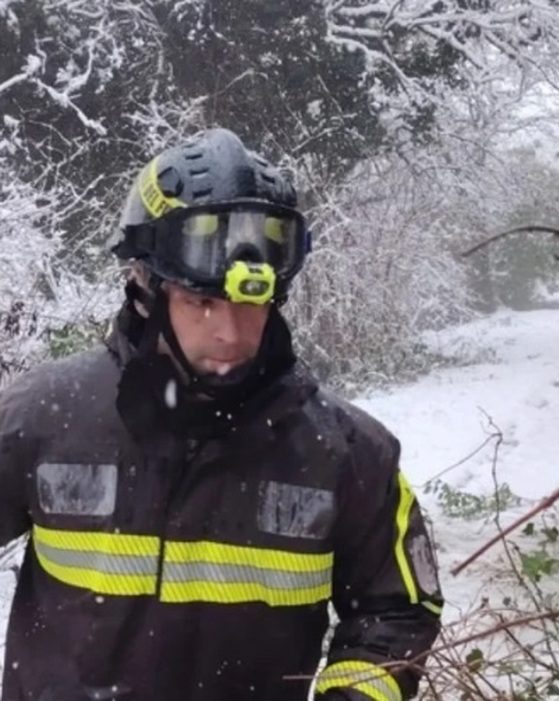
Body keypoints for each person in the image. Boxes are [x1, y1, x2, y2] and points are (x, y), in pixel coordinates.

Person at [0, 128, 443, 700]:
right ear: (146, 288)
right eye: (201, 302)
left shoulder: (349, 454)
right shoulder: (41, 418)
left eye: (249, 304)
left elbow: (398, 614)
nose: (230, 333)